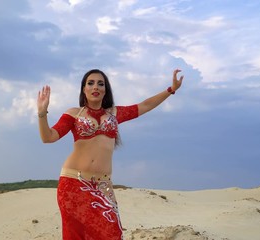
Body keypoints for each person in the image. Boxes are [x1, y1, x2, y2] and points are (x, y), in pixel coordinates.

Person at [37, 69, 184, 240]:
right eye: (90, 83)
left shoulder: (114, 114)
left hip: (103, 187)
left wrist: (171, 90)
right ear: (83, 89)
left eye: (101, 83)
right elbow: (48, 137)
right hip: (73, 185)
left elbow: (145, 106)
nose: (96, 87)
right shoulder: (73, 114)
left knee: (112, 234)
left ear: (106, 90)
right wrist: (42, 112)